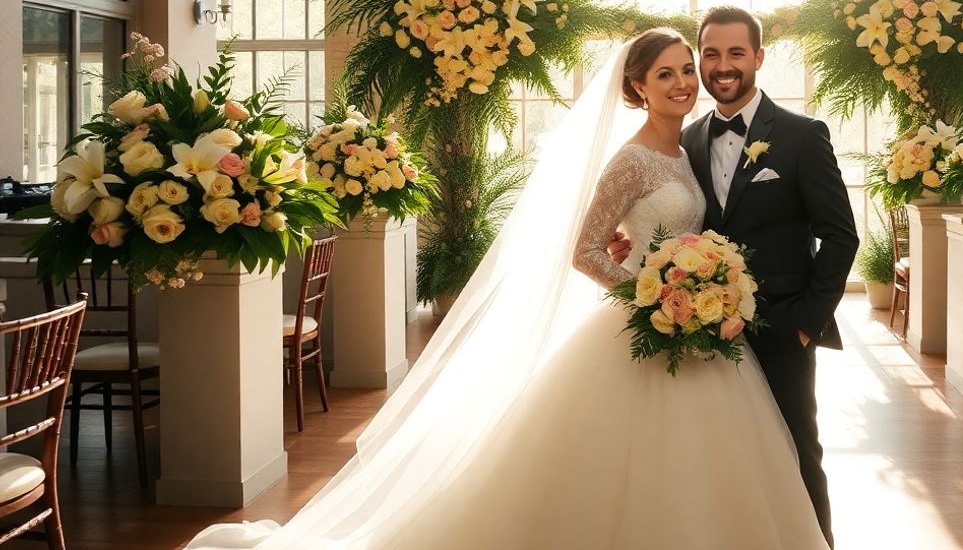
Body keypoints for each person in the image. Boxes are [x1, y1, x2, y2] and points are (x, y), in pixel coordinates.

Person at [186, 29, 829, 549]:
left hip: (706, 331)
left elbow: (685, 229)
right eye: (667, 72)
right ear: (636, 86)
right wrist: (650, 294)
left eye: (688, 69)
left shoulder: (689, 147)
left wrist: (682, 275)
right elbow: (582, 249)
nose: (686, 81)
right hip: (651, 323)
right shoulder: (629, 158)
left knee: (726, 463)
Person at [612, 6, 857, 546]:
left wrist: (805, 324)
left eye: (736, 53)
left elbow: (841, 236)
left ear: (759, 58)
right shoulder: (688, 140)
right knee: (719, 462)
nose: (723, 66)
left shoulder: (801, 135)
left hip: (781, 329)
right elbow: (676, 221)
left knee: (797, 452)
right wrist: (631, 245)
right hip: (699, 334)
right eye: (712, 54)